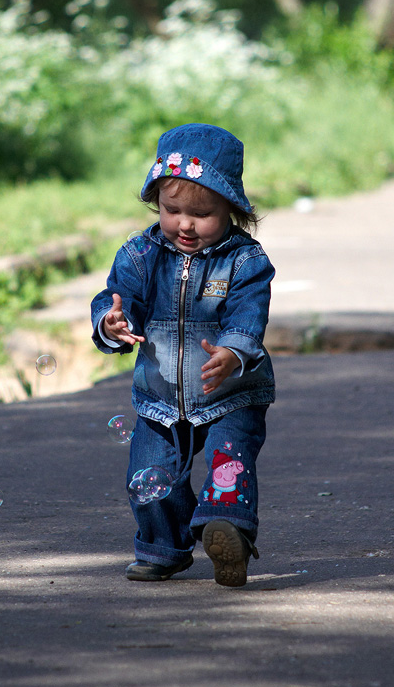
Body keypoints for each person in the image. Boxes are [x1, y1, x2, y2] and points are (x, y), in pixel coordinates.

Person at [91, 123, 275, 587]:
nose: (185, 224)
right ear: (156, 201)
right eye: (172, 210)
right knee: (151, 479)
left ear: (231, 209)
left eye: (202, 213)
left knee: (226, 464)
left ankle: (225, 530)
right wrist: (112, 323)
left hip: (230, 393)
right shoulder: (140, 254)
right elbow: (117, 300)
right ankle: (162, 547)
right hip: (160, 397)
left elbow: (249, 316)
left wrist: (234, 351)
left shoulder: (245, 261)